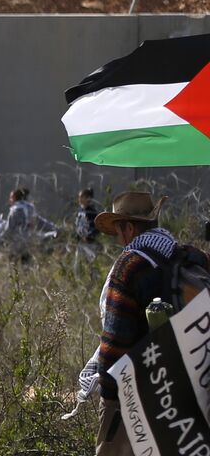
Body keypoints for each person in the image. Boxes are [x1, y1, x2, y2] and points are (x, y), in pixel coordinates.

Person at [81, 191, 210, 455]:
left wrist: (108, 396)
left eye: (118, 230)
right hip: (193, 383)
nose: (118, 239)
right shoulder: (192, 257)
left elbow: (116, 340)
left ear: (128, 228)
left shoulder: (129, 266)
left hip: (141, 391)